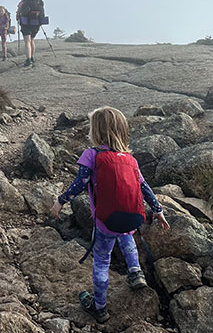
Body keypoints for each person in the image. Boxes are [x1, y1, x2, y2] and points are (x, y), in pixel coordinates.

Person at [50, 106, 170, 324]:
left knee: (102, 260)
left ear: (96, 132)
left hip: (105, 222)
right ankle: (135, 273)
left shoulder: (92, 155)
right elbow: (144, 187)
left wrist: (60, 201)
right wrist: (158, 211)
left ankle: (100, 308)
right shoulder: (131, 161)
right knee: (127, 238)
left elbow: (80, 184)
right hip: (132, 218)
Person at [17, 0, 46, 67]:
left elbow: (19, 11)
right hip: (36, 23)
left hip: (26, 23)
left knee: (27, 41)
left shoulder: (23, 2)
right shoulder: (39, 1)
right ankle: (32, 57)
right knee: (32, 40)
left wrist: (17, 17)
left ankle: (28, 59)